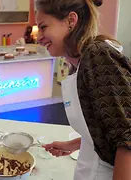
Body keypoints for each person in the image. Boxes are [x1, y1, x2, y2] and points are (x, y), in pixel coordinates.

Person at [35, 0, 131, 179]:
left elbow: (126, 138)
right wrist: (71, 145)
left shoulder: (98, 56)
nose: (39, 37)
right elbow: (104, 128)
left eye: (43, 27)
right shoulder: (78, 65)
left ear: (71, 20)